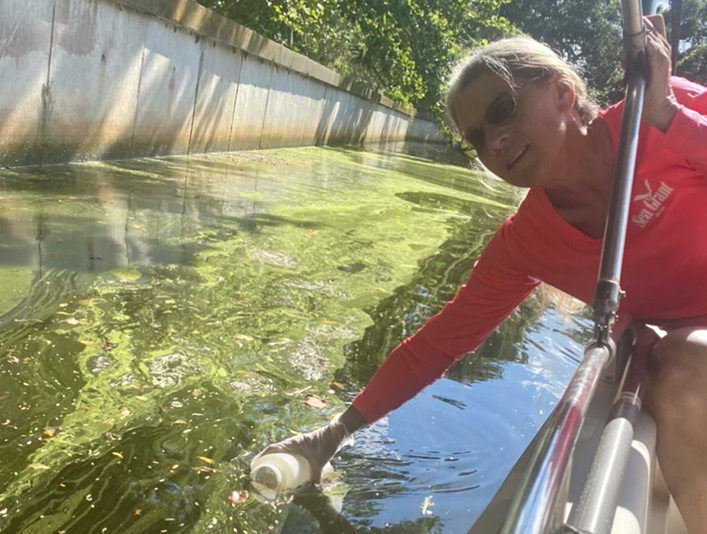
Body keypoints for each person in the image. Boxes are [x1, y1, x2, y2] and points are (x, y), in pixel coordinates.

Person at [257, 19, 707, 534]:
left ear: (563, 92)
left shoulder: (657, 110)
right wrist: (330, 436)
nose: (495, 138)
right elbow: (436, 344)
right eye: (477, 137)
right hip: (694, 348)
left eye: (502, 109)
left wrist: (669, 117)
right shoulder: (526, 242)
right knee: (681, 366)